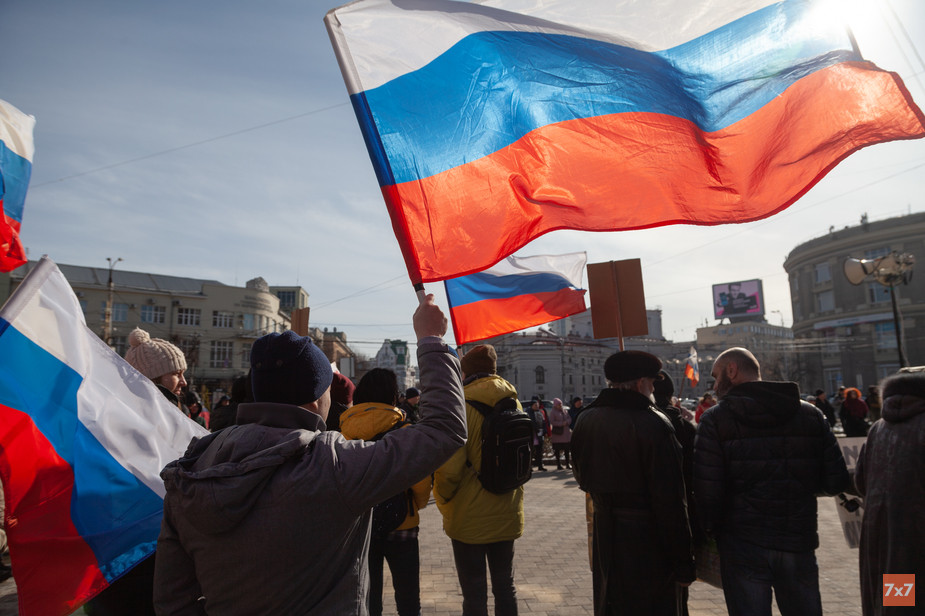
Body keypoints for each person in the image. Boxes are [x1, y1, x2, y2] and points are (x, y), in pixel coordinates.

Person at [153, 295, 467, 615]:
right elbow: (444, 430)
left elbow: (172, 600)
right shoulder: (333, 465)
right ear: (317, 399)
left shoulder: (192, 468)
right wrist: (432, 339)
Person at [693, 347, 849, 616]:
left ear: (732, 370)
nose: (715, 386)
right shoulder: (811, 414)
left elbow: (708, 492)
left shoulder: (715, 420)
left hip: (742, 542)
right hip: (797, 538)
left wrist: (710, 532)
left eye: (716, 377)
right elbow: (836, 481)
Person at [571, 350, 694, 616]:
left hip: (605, 535)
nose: (653, 389)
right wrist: (683, 562)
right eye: (651, 383)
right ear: (640, 383)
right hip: (648, 543)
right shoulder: (654, 423)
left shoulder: (585, 418)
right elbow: (671, 501)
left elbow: (581, 477)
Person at [86, 328, 191, 616]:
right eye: (176, 373)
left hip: (137, 547)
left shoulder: (165, 413)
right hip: (138, 548)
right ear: (152, 377)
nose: (183, 381)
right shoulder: (141, 418)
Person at [434, 344, 523, 616]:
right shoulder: (514, 401)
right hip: (508, 509)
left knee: (474, 592)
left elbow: (450, 470)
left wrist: (443, 498)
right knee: (505, 587)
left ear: (465, 373)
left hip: (468, 515)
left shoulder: (461, 406)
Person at [340, 368, 432, 616]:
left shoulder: (343, 431)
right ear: (393, 396)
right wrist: (415, 504)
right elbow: (421, 480)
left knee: (368, 598)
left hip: (360, 526)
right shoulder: (406, 430)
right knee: (408, 597)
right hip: (403, 523)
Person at [855, 370, 925, 616]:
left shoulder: (878, 429)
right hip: (917, 537)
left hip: (884, 538)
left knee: (897, 602)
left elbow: (860, 482)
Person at [652, 370, 700, 616]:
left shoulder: (641, 424)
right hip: (683, 516)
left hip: (641, 524)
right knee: (678, 594)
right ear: (671, 396)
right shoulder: (685, 428)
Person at [526, 397, 550, 471]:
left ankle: (540, 465)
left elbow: (544, 422)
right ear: (532, 406)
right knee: (531, 451)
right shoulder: (528, 413)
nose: (537, 406)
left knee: (540, 450)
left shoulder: (540, 412)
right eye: (535, 405)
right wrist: (534, 429)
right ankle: (529, 466)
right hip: (532, 434)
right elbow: (530, 423)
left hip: (540, 434)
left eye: (537, 405)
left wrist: (545, 431)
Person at [548, 397, 572, 470]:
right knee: (557, 450)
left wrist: (567, 422)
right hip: (557, 434)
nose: (560, 405)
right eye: (558, 404)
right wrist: (561, 423)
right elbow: (552, 421)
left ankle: (567, 464)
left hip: (566, 433)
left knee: (567, 450)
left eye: (561, 404)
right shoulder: (553, 412)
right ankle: (559, 464)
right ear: (555, 405)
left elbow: (569, 418)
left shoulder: (564, 410)